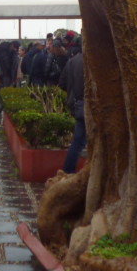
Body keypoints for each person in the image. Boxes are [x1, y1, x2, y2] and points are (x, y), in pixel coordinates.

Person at [59, 38, 86, 173]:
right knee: (80, 141)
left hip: (77, 105)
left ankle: (68, 171)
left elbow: (62, 82)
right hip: (89, 107)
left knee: (77, 142)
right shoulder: (93, 62)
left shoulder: (72, 61)